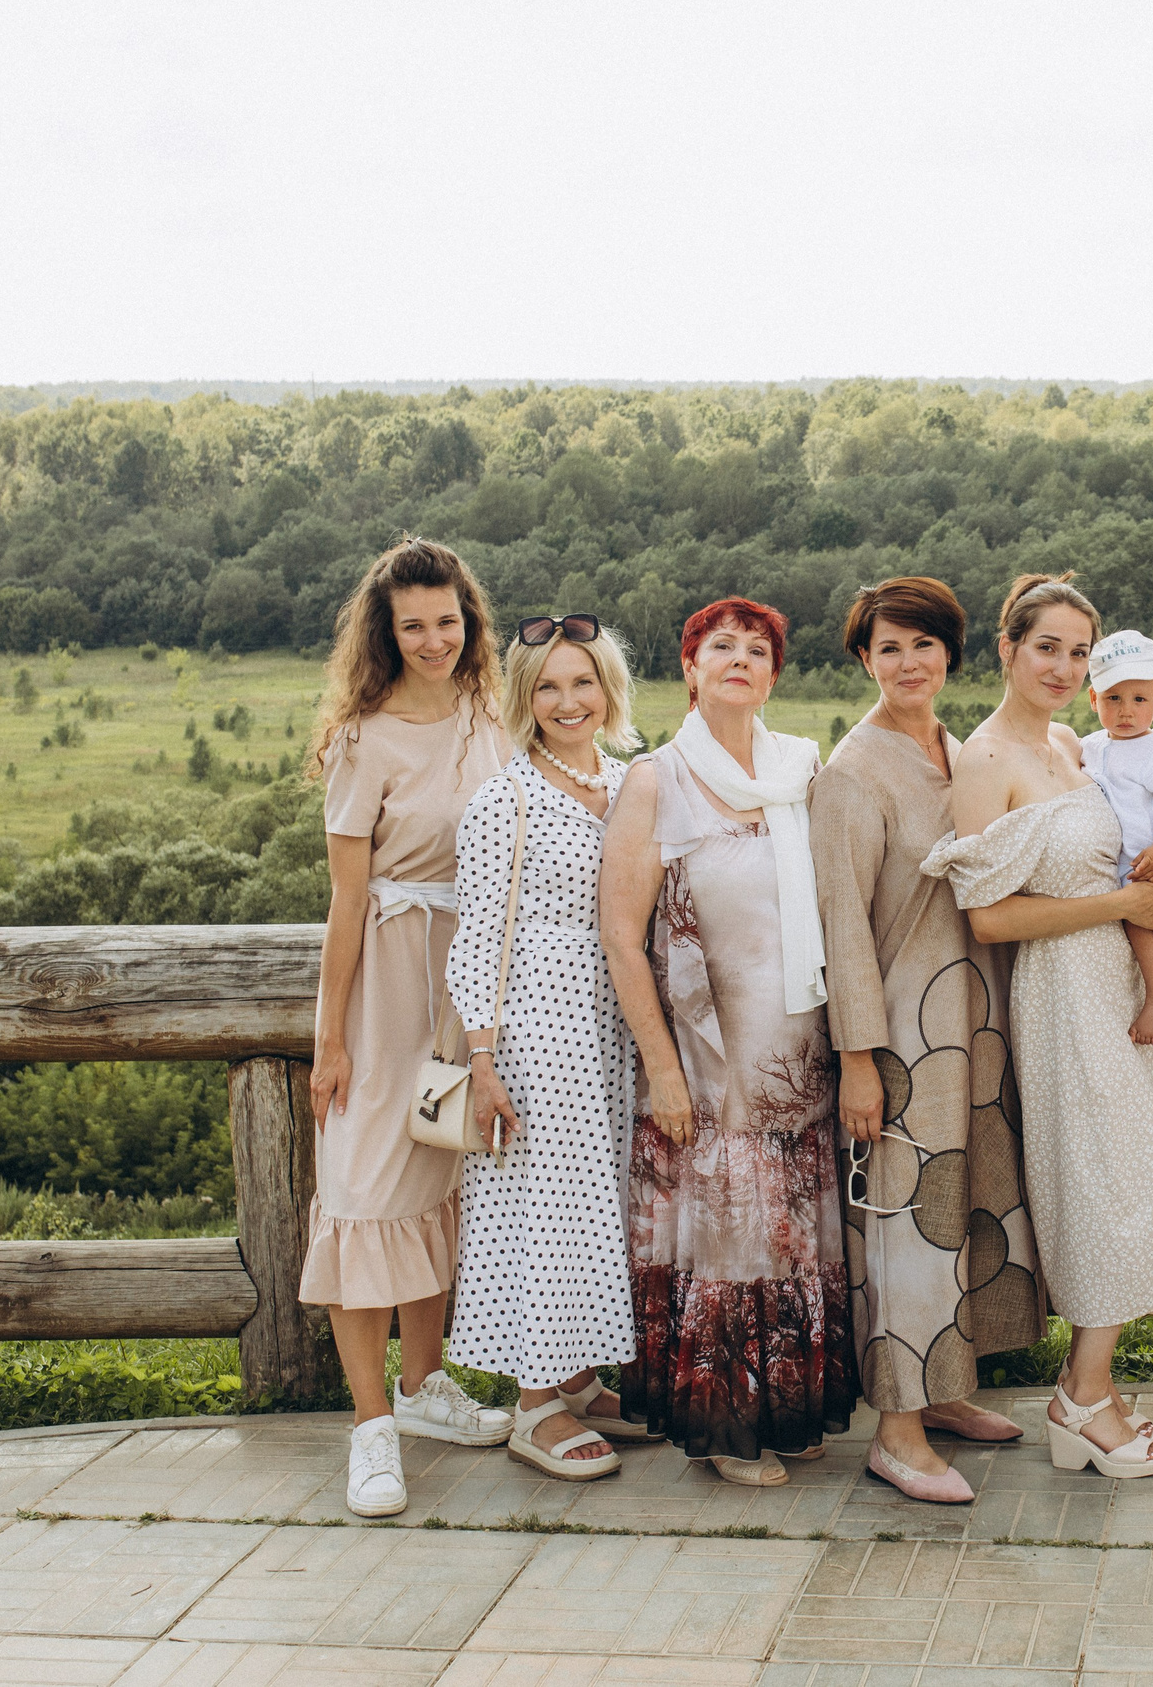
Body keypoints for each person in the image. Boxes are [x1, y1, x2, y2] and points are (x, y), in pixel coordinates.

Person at [921, 573, 1153, 1481]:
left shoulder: (1077, 746)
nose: (1065, 666)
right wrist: (1122, 899)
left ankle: (1093, 1382)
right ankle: (1079, 1398)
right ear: (1007, 649)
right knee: (1103, 1186)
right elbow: (988, 916)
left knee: (1134, 1176)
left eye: (1080, 652)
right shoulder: (986, 758)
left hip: (1114, 984)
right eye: (1048, 647)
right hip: (1060, 993)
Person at [600, 597, 858, 1487]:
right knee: (732, 1244)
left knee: (792, 1242)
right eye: (722, 647)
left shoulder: (802, 770)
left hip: (799, 1058)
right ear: (692, 668)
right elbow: (622, 937)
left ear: (774, 675)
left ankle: (789, 1408)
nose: (740, 659)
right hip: (708, 1071)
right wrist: (664, 1072)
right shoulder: (655, 780)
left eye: (758, 649)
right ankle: (725, 1427)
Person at [811, 576, 1042, 1505]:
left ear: (952, 653)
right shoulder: (851, 773)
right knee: (908, 1222)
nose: (909, 663)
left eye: (925, 645)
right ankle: (897, 1431)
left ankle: (947, 1392)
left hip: (980, 1019)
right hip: (903, 1035)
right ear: (866, 658)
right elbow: (844, 930)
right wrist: (858, 1060)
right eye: (889, 648)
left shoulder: (965, 751)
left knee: (974, 1200)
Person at [301, 538, 516, 1519]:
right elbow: (347, 903)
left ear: (468, 621)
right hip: (386, 982)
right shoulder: (363, 738)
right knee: (363, 1186)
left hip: (469, 987)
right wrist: (329, 1039)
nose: (434, 640)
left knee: (438, 1179)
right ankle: (368, 1430)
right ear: (385, 635)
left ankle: (425, 1389)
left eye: (447, 620)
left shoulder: (488, 717)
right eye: (413, 626)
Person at [446, 613, 649, 1482]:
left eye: (583, 682)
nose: (569, 701)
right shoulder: (508, 797)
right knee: (549, 1208)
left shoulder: (634, 778)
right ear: (525, 700)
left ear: (608, 688)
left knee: (603, 1198)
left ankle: (577, 1375)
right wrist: (483, 1062)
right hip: (538, 1028)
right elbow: (478, 936)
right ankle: (534, 1405)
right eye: (549, 686)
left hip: (615, 1022)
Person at [1078, 629, 1153, 1045]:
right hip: (1114, 864)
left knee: (1141, 923)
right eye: (1113, 699)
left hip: (1151, 859)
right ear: (1093, 701)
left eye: (1139, 700)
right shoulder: (1088, 746)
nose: (1127, 711)